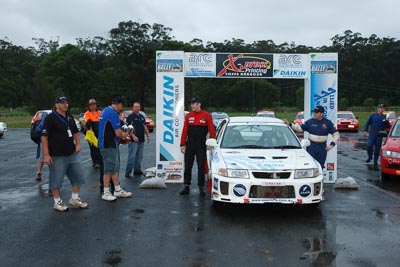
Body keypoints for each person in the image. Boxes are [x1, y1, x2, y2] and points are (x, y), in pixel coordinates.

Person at [41, 96, 88, 212]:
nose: (65, 105)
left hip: (72, 153)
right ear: (57, 105)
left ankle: (75, 198)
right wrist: (46, 155)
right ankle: (57, 202)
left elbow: (76, 132)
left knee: (79, 176)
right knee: (56, 179)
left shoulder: (70, 117)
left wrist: (78, 144)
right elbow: (44, 137)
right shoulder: (50, 118)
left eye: (66, 102)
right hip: (57, 155)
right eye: (62, 103)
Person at [98, 96, 132, 201]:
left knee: (114, 168)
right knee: (108, 169)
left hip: (109, 144)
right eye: (121, 106)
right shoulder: (112, 113)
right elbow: (118, 133)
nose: (121, 108)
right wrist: (126, 134)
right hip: (108, 145)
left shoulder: (105, 110)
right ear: (119, 104)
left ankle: (117, 189)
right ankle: (106, 192)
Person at [180, 97, 216, 196]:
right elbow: (185, 131)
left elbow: (212, 131)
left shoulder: (207, 115)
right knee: (188, 166)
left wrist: (210, 143)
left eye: (194, 103)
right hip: (190, 144)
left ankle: (201, 187)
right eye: (191, 103)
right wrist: (182, 144)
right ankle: (186, 186)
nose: (192, 105)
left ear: (199, 104)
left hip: (201, 144)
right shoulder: (188, 116)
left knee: (201, 166)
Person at [125, 102, 150, 178]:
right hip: (133, 140)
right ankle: (128, 172)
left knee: (139, 156)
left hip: (141, 139)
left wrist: (148, 135)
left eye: (138, 107)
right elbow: (129, 128)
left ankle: (137, 171)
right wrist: (133, 136)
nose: (137, 108)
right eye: (135, 107)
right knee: (132, 156)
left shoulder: (142, 116)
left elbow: (144, 126)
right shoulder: (130, 117)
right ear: (133, 108)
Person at [84, 99, 102, 168]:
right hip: (91, 132)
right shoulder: (87, 113)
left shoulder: (100, 112)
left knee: (99, 147)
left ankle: (100, 161)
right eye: (91, 105)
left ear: (96, 105)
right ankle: (95, 162)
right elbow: (88, 123)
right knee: (93, 148)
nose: (93, 106)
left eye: (94, 104)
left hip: (99, 131)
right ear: (89, 106)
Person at [35, 112, 47, 181]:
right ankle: (53, 174)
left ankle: (39, 172)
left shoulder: (41, 123)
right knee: (52, 158)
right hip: (49, 142)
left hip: (42, 142)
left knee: (42, 159)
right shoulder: (49, 122)